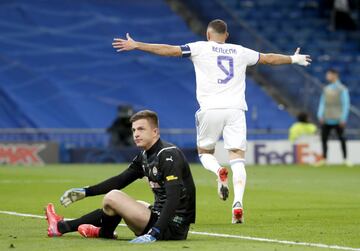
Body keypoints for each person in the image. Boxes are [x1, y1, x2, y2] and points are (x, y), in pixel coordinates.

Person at [112, 19, 311, 223]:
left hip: (210, 110)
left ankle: (218, 171)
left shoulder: (200, 48)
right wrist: (293, 59)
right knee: (237, 157)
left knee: (205, 152)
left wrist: (138, 45)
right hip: (236, 110)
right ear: (226, 35)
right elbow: (268, 58)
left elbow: (169, 50)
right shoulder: (240, 51)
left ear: (208, 35)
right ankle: (238, 204)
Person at [45, 110, 196, 243]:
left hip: (172, 227)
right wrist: (86, 191)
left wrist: (154, 233)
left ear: (155, 132)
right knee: (122, 203)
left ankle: (83, 229)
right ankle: (65, 227)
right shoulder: (145, 155)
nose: (136, 134)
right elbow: (120, 180)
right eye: (134, 130)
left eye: (141, 129)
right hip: (159, 218)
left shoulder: (168, 155)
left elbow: (173, 198)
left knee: (113, 197)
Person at [317, 69, 351, 166]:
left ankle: (345, 159)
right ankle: (324, 158)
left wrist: (343, 118)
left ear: (335, 75)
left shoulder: (342, 89)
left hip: (338, 119)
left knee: (342, 139)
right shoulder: (326, 88)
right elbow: (323, 103)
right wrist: (320, 114)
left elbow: (346, 104)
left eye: (329, 75)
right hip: (327, 118)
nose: (327, 76)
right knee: (324, 139)